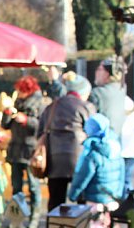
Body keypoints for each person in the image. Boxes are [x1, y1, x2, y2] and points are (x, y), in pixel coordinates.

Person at [38, 73, 96, 212]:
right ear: (82, 92)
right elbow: (94, 131)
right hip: (80, 159)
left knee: (56, 202)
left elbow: (40, 132)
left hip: (54, 159)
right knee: (82, 201)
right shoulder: (86, 107)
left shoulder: (52, 106)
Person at [1, 76, 46, 228]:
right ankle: (17, 217)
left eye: (21, 90)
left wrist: (26, 120)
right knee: (16, 186)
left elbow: (41, 126)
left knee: (34, 186)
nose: (18, 93)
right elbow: (5, 125)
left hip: (31, 149)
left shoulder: (39, 103)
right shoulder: (16, 103)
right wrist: (7, 113)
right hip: (15, 149)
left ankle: (34, 218)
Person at [68, 113, 125, 206]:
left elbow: (83, 176)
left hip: (94, 200)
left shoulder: (92, 152)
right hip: (112, 199)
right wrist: (119, 194)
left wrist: (73, 195)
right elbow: (122, 173)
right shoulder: (115, 147)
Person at [90, 56, 127, 137]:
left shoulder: (97, 93)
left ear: (107, 74)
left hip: (100, 141)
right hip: (116, 141)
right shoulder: (121, 90)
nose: (96, 72)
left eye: (99, 69)